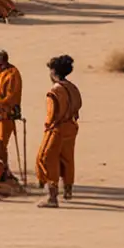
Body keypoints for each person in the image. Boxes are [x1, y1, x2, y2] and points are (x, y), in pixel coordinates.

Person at [36, 54, 82, 208]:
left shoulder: (55, 91)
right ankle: (68, 190)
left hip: (58, 128)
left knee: (47, 158)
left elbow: (52, 113)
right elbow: (78, 105)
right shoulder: (73, 87)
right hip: (71, 127)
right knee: (67, 158)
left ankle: (52, 197)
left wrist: (48, 126)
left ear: (54, 72)